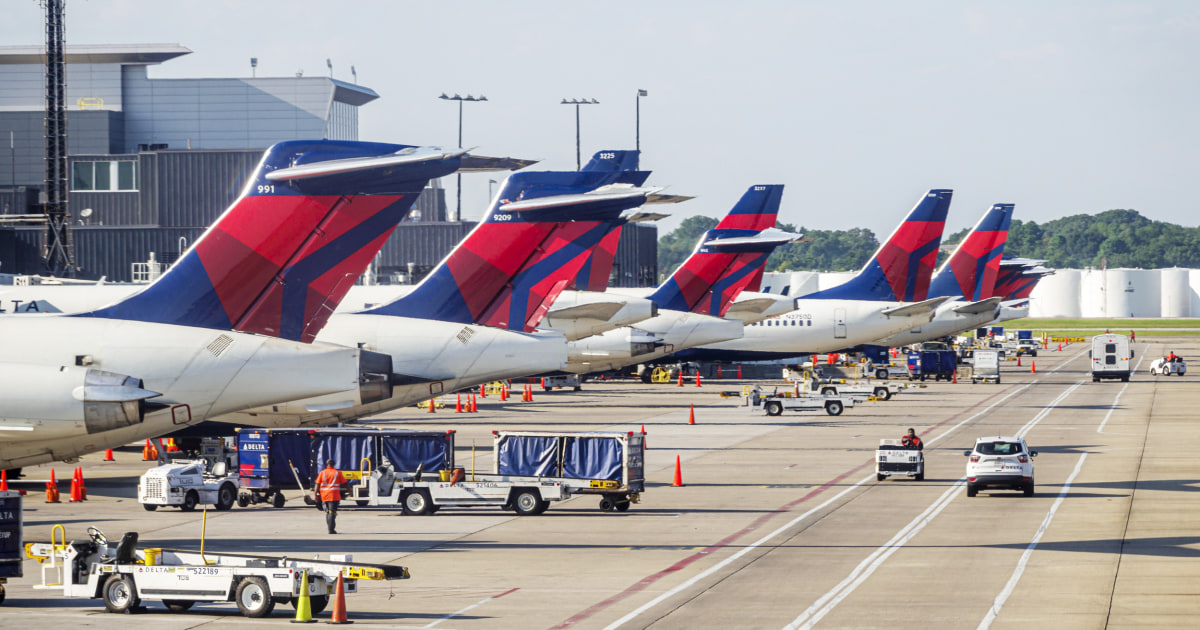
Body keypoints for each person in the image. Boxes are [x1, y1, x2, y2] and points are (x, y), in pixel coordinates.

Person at [314, 459, 348, 534]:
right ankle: (331, 529)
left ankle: (330, 528)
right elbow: (345, 483)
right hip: (334, 496)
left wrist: (315, 495)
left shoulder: (322, 473)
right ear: (334, 464)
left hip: (324, 496)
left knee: (327, 512)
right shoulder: (337, 473)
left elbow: (317, 485)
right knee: (332, 512)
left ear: (327, 464)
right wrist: (350, 491)